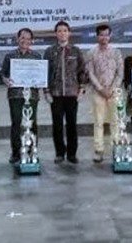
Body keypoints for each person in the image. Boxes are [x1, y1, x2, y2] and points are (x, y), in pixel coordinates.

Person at [44, 21, 87, 164]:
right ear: (56, 34)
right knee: (57, 125)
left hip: (71, 93)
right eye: (59, 31)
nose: (62, 33)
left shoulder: (76, 51)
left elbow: (82, 71)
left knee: (72, 124)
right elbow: (45, 72)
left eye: (65, 30)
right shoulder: (50, 51)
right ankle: (59, 153)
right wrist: (46, 91)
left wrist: (81, 89)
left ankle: (72, 154)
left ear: (69, 33)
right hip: (55, 94)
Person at [1, 28, 42, 164]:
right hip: (15, 95)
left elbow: (41, 75)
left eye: (28, 38)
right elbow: (3, 74)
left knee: (32, 123)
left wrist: (41, 81)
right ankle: (16, 153)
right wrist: (5, 79)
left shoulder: (36, 56)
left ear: (32, 41)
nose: (25, 41)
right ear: (17, 39)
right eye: (22, 38)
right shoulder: (10, 56)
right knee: (16, 123)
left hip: (32, 95)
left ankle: (32, 151)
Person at [86, 24, 124, 163]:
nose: (104, 38)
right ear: (97, 36)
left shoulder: (116, 52)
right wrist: (101, 89)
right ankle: (99, 150)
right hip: (98, 92)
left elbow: (120, 73)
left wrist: (112, 89)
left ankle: (117, 149)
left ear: (110, 36)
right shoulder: (91, 53)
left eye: (106, 35)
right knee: (98, 122)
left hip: (114, 92)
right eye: (101, 35)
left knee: (115, 122)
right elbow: (90, 73)